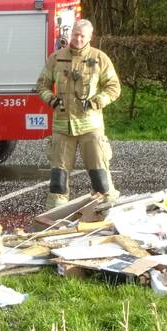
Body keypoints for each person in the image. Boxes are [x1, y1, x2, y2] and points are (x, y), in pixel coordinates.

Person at [35, 19, 122, 209]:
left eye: (83, 36)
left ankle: (107, 211)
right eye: (76, 34)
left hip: (90, 126)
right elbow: (41, 86)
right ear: (71, 34)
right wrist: (51, 100)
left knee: (100, 177)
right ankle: (55, 215)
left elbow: (114, 88)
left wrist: (96, 102)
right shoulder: (56, 58)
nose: (78, 39)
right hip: (62, 127)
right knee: (58, 181)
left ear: (90, 37)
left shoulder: (99, 59)